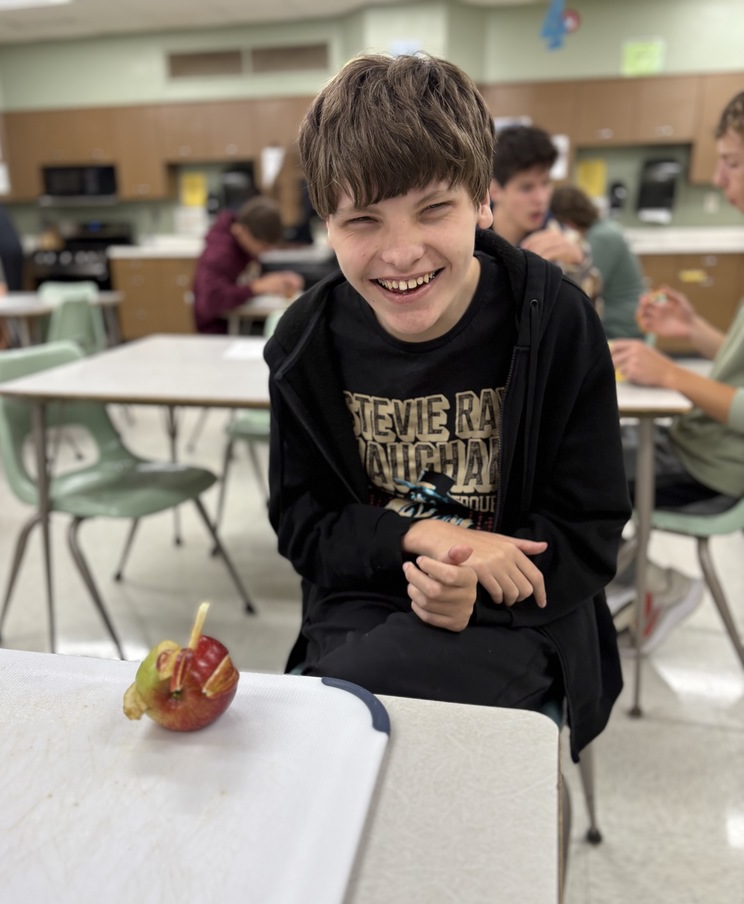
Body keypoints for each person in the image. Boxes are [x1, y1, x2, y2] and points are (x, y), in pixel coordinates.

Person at [263, 53, 631, 759]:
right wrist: (421, 537)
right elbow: (304, 527)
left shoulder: (556, 320)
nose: (401, 253)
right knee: (358, 718)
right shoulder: (305, 343)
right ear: (327, 224)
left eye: (434, 210)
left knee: (347, 720)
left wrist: (474, 590)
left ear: (482, 202)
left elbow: (589, 531)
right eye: (363, 220)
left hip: (524, 610)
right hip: (369, 591)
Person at [608, 90, 744, 652]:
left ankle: (652, 585)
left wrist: (670, 374)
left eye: (732, 163)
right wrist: (694, 331)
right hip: (697, 445)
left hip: (713, 470)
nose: (719, 177)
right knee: (582, 452)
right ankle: (625, 583)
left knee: (570, 477)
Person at [489, 125, 602, 304]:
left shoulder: (564, 241)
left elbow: (590, 313)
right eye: (526, 188)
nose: (541, 198)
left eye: (545, 183)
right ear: (495, 190)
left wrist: (580, 265)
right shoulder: (471, 235)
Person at [192, 195, 304, 334]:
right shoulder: (218, 254)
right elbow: (209, 302)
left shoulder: (244, 245)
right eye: (263, 245)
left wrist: (278, 280)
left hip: (242, 324)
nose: (265, 251)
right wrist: (256, 287)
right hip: (219, 332)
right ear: (243, 231)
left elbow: (245, 278)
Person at [550, 184, 646, 339]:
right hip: (625, 314)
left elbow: (585, 289)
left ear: (567, 221)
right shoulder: (603, 227)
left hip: (622, 322)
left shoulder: (601, 237)